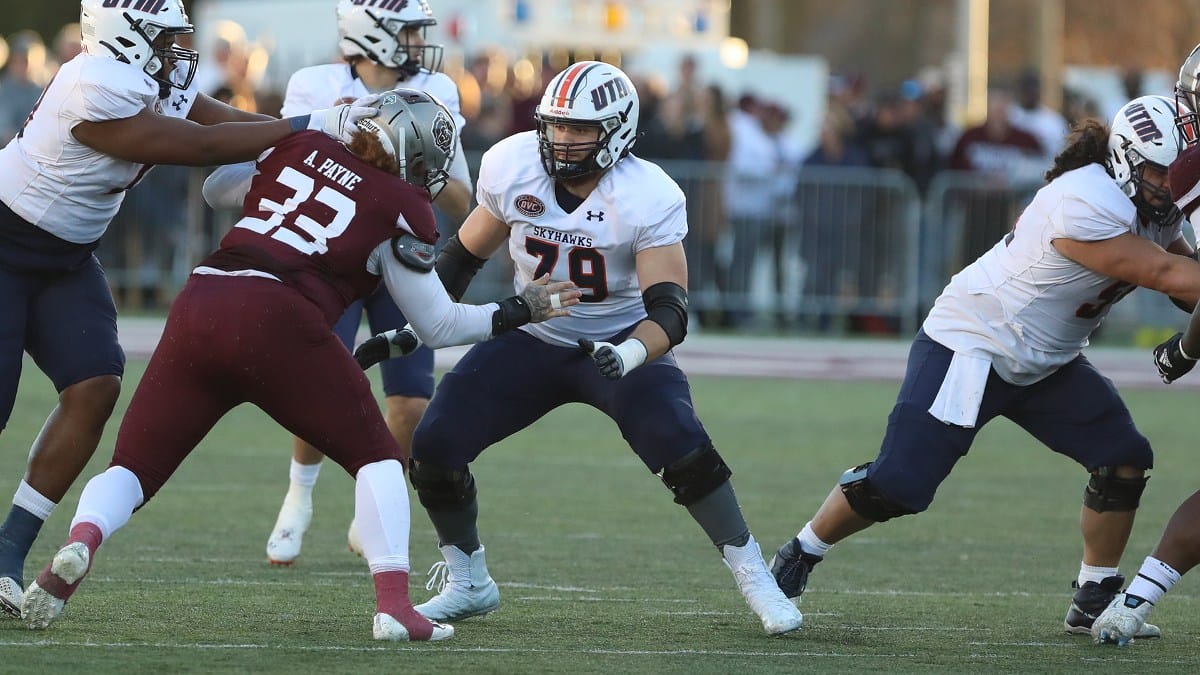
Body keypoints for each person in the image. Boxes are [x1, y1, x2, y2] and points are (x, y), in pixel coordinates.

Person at [19, 88, 581, 638]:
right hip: (280, 318)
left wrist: (290, 159)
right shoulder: (401, 206)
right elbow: (439, 325)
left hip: (204, 299)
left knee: (133, 467)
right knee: (379, 459)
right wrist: (520, 309)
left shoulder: (303, 145)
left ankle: (83, 539)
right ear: (416, 156)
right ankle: (395, 607)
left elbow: (217, 189)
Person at [358, 61, 804, 636]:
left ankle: (755, 576)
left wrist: (631, 355)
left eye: (579, 129)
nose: (562, 139)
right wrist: (413, 328)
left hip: (618, 339)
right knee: (435, 445)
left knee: (682, 446)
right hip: (533, 336)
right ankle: (468, 581)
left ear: (616, 131)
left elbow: (670, 312)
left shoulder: (646, 194)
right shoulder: (514, 164)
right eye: (556, 125)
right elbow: (462, 259)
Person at [769, 94, 1200, 638]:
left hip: (1047, 360)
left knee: (1123, 457)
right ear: (1124, 160)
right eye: (1160, 171)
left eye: (1179, 170)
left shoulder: (1155, 206)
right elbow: (1166, 276)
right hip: (974, 344)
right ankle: (802, 550)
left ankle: (1094, 595)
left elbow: (1184, 277)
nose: (1171, 183)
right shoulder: (1085, 200)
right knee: (899, 484)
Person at [0, 0, 378, 619]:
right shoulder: (94, 83)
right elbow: (198, 145)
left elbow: (215, 116)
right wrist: (310, 122)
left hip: (67, 255)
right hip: (7, 241)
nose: (177, 50)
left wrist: (306, 132)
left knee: (95, 385)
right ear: (126, 36)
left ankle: (8, 551)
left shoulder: (143, 74)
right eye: (164, 37)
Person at [263, 0, 474, 567]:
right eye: (408, 31)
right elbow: (285, 163)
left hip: (403, 255)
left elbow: (461, 199)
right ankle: (299, 494)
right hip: (334, 253)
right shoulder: (315, 84)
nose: (418, 43)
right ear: (372, 34)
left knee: (410, 402)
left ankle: (368, 513)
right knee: (320, 385)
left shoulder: (437, 89)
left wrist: (418, 157)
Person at [1091, 46, 1200, 648]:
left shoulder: (1189, 169)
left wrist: (1185, 352)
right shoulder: (1182, 171)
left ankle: (1131, 602)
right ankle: (1131, 601)